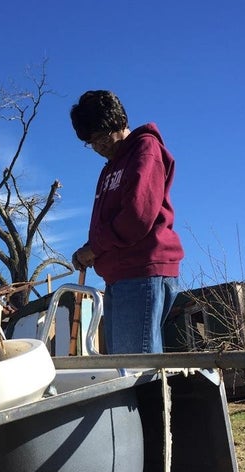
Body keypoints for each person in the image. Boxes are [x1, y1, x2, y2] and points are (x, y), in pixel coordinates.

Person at [70, 90, 184, 355]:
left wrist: (95, 248)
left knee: (134, 367)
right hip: (119, 274)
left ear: (118, 122)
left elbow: (137, 216)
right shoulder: (109, 168)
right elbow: (109, 221)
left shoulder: (145, 150)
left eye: (101, 136)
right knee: (123, 363)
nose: (98, 146)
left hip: (142, 269)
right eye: (91, 142)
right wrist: (89, 248)